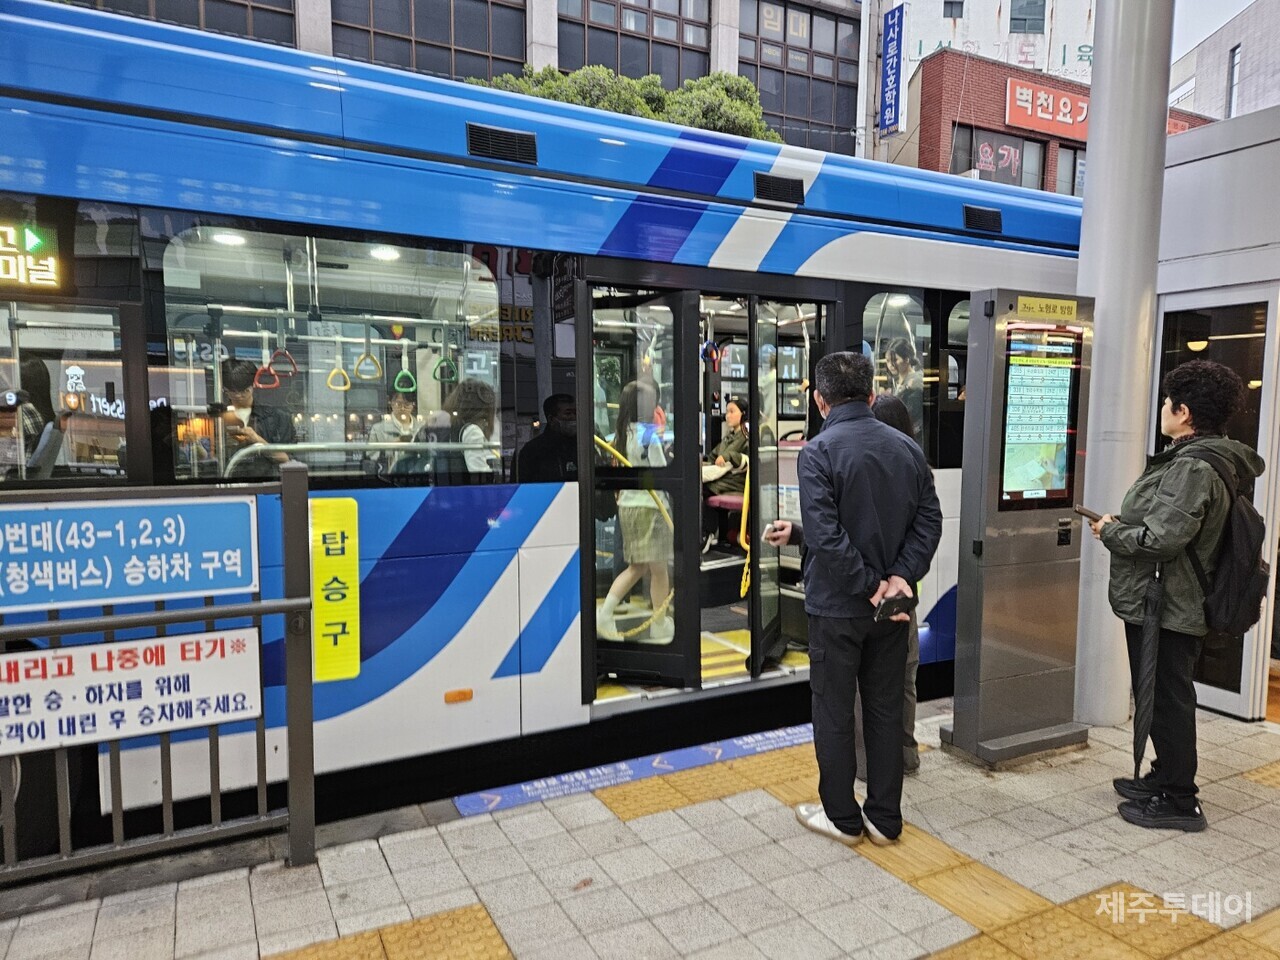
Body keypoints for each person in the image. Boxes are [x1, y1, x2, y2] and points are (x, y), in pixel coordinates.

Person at [765, 352, 940, 847]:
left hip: (837, 608)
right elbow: (929, 521)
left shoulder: (817, 452)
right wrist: (898, 579)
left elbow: (826, 535)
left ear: (820, 401)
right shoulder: (907, 449)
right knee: (885, 709)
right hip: (893, 610)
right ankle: (885, 819)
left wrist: (868, 586)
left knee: (835, 711)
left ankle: (842, 818)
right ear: (871, 394)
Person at [1090, 359, 1263, 832]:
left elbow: (1162, 539)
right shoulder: (1198, 458)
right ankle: (1164, 776)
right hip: (1164, 600)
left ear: (1184, 412)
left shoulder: (1192, 467)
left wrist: (1111, 532)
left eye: (1168, 402)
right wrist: (1125, 526)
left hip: (1170, 604)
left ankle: (1181, 799)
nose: (1163, 408)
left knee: (1169, 699)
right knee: (1161, 693)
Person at [597, 380, 673, 643]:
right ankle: (659, 624)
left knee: (637, 566)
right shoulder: (648, 434)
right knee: (659, 569)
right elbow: (661, 472)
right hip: (651, 507)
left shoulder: (621, 433)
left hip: (628, 506)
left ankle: (606, 613)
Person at [220, 358, 296, 476]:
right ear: (225, 390)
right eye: (232, 392)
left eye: (245, 390)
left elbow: (287, 459)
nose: (238, 396)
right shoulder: (219, 419)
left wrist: (257, 440)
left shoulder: (278, 418)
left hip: (266, 482)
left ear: (254, 385)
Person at [701, 396, 749, 553]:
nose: (728, 416)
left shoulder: (745, 436)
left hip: (737, 482)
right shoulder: (729, 437)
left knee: (704, 488)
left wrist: (727, 457)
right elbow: (714, 456)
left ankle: (706, 532)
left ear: (743, 414)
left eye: (732, 411)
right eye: (727, 412)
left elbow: (735, 457)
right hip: (725, 480)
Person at [516, 393, 578, 483]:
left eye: (575, 413)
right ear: (551, 419)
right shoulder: (533, 451)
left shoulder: (582, 446)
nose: (573, 417)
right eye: (568, 414)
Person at [368, 390, 419, 473]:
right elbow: (371, 454)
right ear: (391, 403)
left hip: (418, 474)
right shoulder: (378, 429)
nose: (402, 408)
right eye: (398, 404)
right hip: (389, 474)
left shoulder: (422, 427)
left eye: (407, 404)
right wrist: (391, 447)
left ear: (413, 405)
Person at [885, 338, 924, 444]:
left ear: (907, 359)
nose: (891, 365)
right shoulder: (896, 381)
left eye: (895, 360)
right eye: (888, 361)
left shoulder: (916, 381)